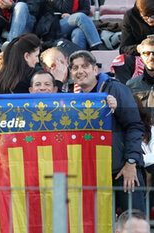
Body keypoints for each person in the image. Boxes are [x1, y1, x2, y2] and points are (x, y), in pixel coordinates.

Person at [69, 50, 146, 212]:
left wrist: (131, 162)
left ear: (95, 70)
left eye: (84, 66)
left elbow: (135, 125)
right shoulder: (75, 100)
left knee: (133, 224)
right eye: (75, 68)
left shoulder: (115, 89)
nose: (79, 71)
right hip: (95, 175)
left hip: (123, 171)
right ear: (71, 74)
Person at [36, 0, 104, 50]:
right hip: (55, 25)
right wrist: (72, 15)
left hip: (73, 23)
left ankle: (80, 57)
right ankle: (97, 46)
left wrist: (71, 15)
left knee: (78, 32)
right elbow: (65, 9)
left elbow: (86, 10)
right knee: (80, 17)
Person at [126, 37, 154, 120]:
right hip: (143, 131)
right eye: (146, 53)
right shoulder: (131, 85)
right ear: (141, 56)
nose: (151, 57)